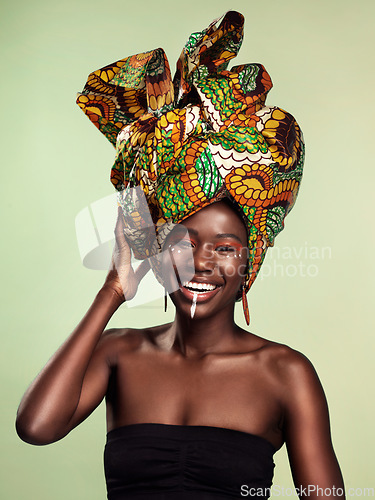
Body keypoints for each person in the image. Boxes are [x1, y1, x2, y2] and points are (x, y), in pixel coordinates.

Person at [16, 11, 345, 500]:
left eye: (225, 248)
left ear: (248, 263)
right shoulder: (119, 353)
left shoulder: (285, 372)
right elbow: (37, 427)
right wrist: (114, 289)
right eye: (182, 241)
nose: (202, 260)